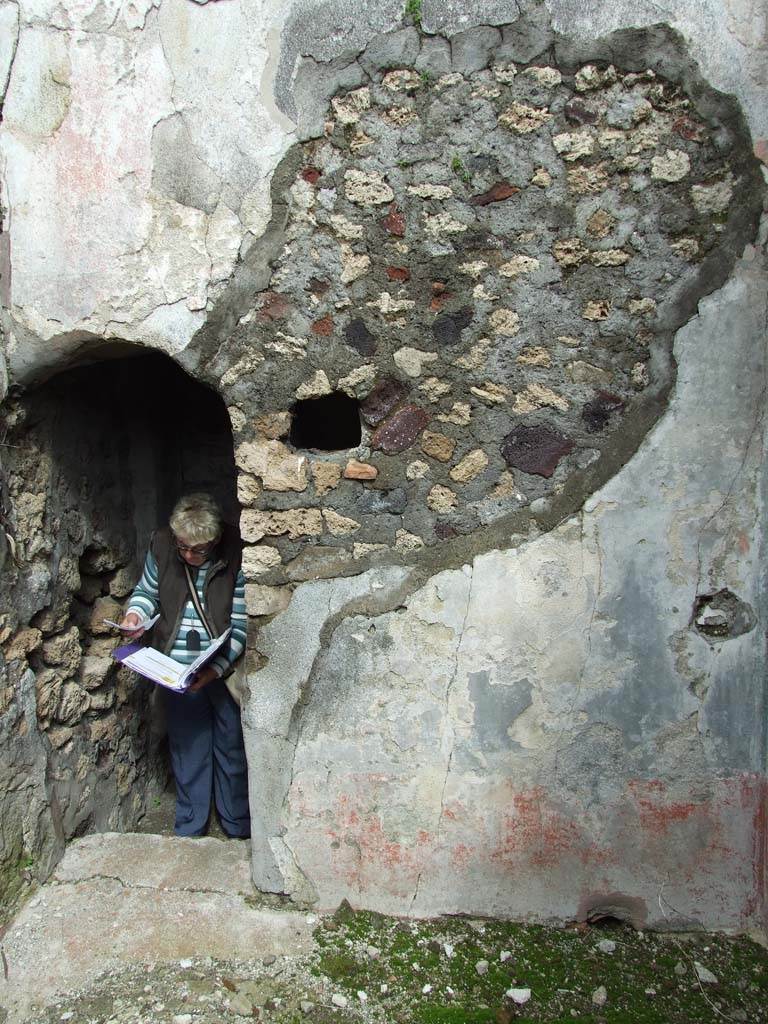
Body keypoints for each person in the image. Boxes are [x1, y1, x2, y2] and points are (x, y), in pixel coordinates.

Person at [120, 493, 250, 839]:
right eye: (183, 548)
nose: (189, 555)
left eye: (198, 550)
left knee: (232, 747)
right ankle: (190, 828)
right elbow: (147, 592)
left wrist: (215, 669)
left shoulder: (236, 552)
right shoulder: (163, 546)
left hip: (221, 670)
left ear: (216, 539)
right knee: (188, 748)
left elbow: (240, 625)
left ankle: (237, 825)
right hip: (174, 669)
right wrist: (136, 614)